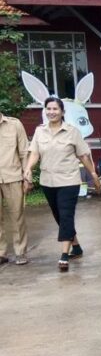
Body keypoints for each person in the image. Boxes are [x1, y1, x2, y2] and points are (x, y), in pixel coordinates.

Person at [24, 97, 101, 271]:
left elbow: (83, 155)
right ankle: (77, 247)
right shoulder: (40, 131)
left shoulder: (72, 132)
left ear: (62, 112)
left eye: (55, 109)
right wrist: (28, 168)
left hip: (68, 180)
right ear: (45, 111)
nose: (52, 112)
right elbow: (34, 153)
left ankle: (64, 255)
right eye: (49, 109)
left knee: (66, 215)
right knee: (59, 216)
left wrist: (93, 174)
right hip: (48, 181)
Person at [0, 112, 29, 265]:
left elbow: (24, 152)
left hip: (13, 176)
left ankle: (20, 252)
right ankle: (1, 253)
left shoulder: (14, 124)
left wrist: (27, 177)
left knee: (17, 216)